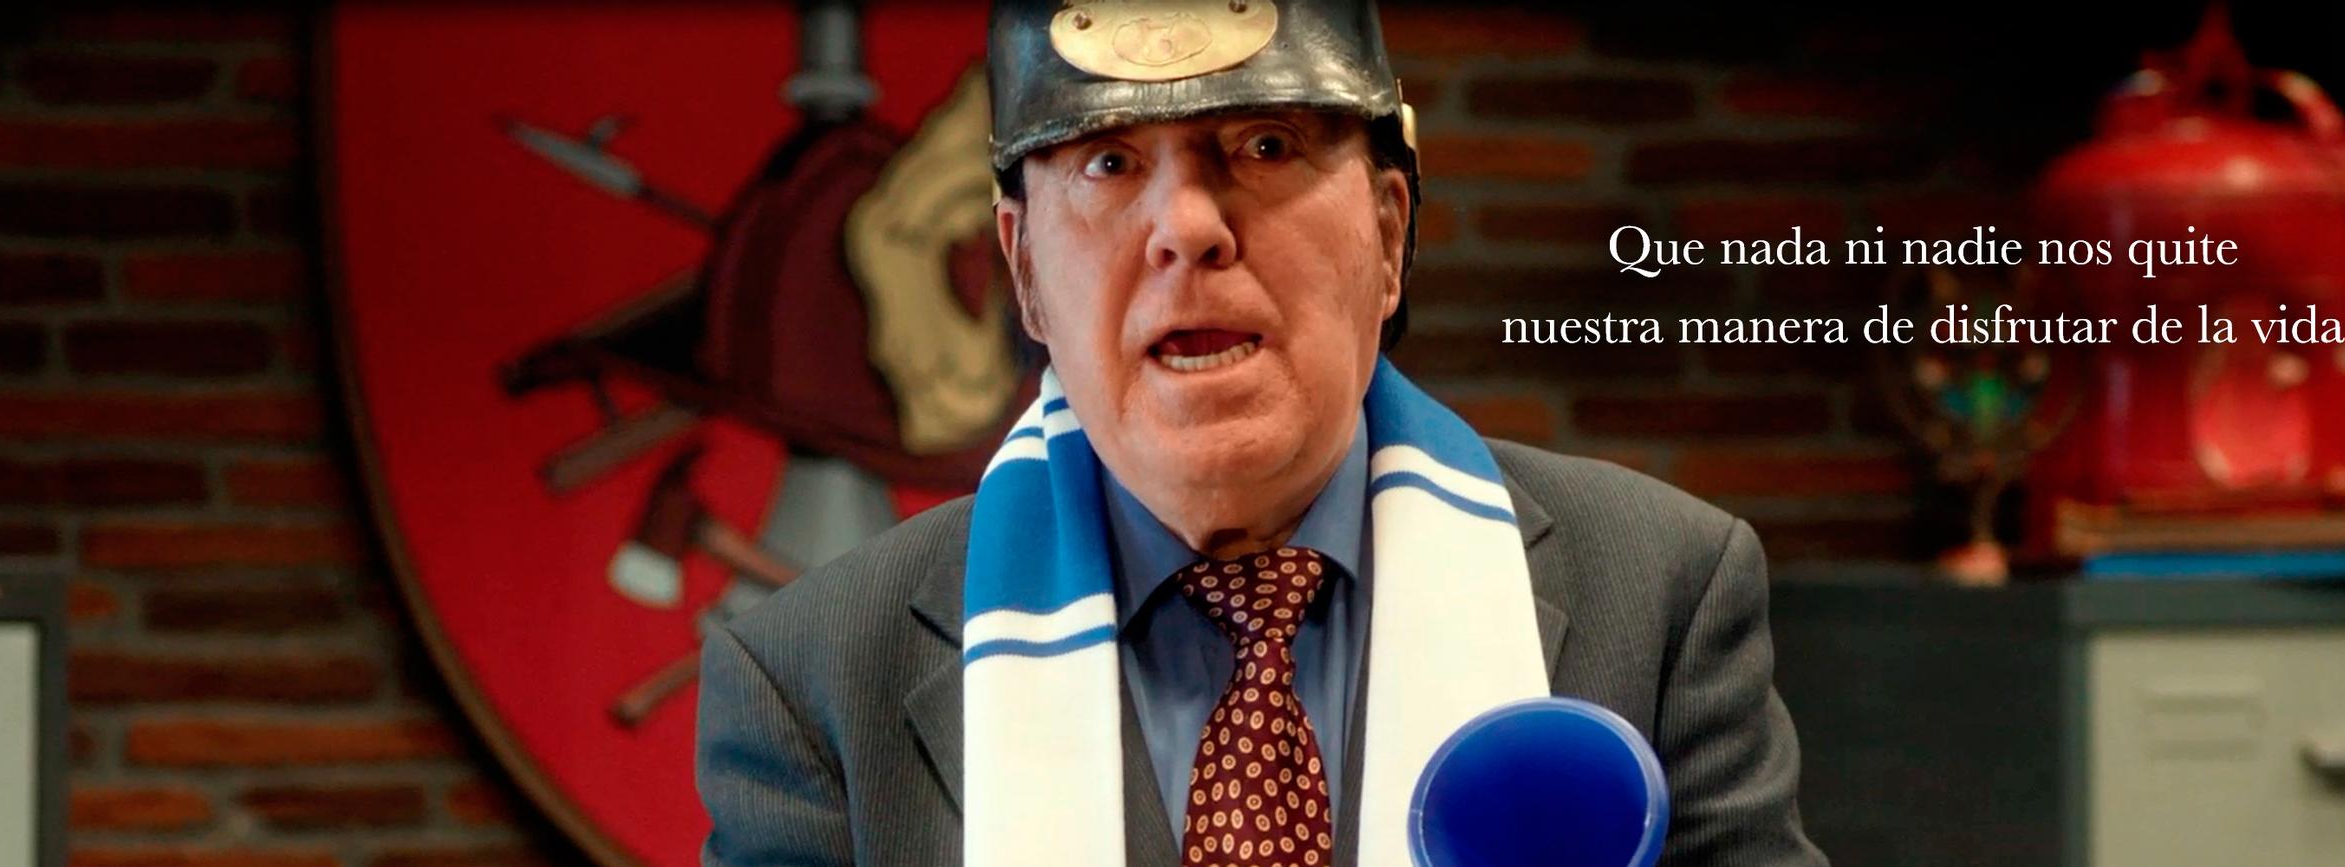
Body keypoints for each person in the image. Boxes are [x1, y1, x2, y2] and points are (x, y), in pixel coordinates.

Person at [697, 2, 1827, 865]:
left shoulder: (1662, 591)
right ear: (1023, 270)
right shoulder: (809, 680)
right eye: (1109, 162)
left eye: (1266, 146)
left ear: (1389, 234)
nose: (1186, 228)